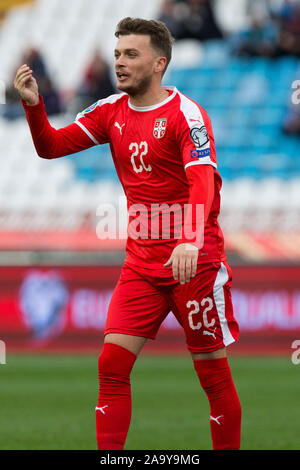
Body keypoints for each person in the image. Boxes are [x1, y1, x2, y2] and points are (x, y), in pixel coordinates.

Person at [14, 17, 241, 450]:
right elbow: (51, 147)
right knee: (111, 364)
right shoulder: (109, 112)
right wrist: (33, 106)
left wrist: (190, 239)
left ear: (159, 64)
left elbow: (203, 182)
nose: (119, 62)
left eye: (131, 55)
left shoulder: (186, 115)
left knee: (212, 375)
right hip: (141, 264)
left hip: (193, 261)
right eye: (117, 54)